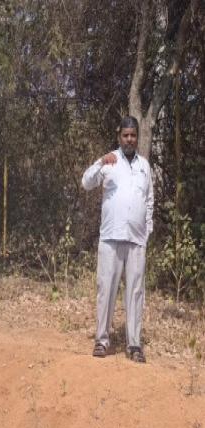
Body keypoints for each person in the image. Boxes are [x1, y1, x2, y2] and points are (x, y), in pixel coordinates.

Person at [81, 116, 154, 363]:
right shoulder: (110, 161)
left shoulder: (145, 166)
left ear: (137, 137)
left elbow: (149, 201)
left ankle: (134, 345)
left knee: (135, 292)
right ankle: (102, 340)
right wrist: (100, 161)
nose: (129, 139)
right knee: (106, 289)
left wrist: (147, 230)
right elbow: (86, 182)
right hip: (111, 237)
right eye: (125, 135)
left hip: (136, 240)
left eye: (133, 135)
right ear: (119, 136)